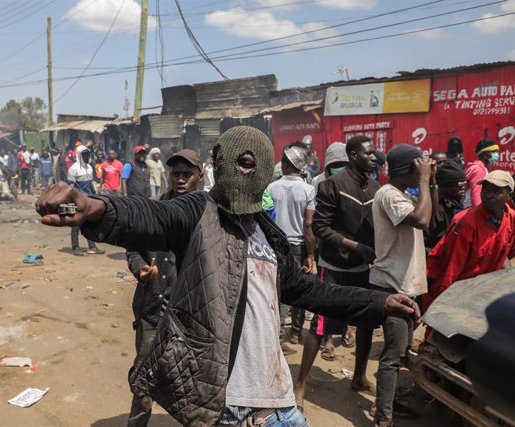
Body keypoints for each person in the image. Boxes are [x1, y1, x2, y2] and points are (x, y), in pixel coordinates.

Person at [35, 126, 420, 426]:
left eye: (251, 164)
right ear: (217, 164)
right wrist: (95, 207)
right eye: (234, 161)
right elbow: (150, 216)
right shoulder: (196, 213)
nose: (240, 171)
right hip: (229, 405)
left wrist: (377, 301)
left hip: (280, 400)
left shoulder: (267, 234)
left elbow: (306, 289)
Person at [295, 135, 380, 406]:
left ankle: (359, 376)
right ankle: (301, 383)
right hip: (333, 266)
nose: (374, 158)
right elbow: (320, 227)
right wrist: (354, 246)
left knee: (365, 322)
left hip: (361, 268)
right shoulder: (333, 185)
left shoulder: (376, 188)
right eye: (368, 153)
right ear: (353, 156)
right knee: (319, 325)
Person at [126, 149, 203, 427]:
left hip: (193, 315)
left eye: (187, 174)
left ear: (200, 176)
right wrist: (140, 269)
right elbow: (134, 248)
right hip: (153, 307)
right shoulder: (154, 209)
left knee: (192, 382)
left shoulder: (209, 217)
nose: (180, 179)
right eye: (176, 174)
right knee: (144, 376)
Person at [369, 144, 436, 427]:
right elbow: (422, 220)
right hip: (392, 286)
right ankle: (383, 418)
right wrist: (423, 180)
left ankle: (392, 403)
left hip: (405, 285)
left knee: (405, 350)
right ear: (408, 170)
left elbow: (430, 220)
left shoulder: (403, 195)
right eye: (418, 167)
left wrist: (428, 181)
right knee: (393, 355)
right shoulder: (388, 195)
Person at [425, 170, 515, 310]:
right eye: (485, 189)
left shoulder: (511, 219)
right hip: (458, 290)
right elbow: (450, 269)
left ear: (509, 195)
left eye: (496, 191)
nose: (487, 195)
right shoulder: (466, 222)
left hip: (483, 292)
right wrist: (441, 305)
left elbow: (505, 256)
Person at [265, 146, 316, 354]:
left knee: (277, 290)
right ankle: (294, 333)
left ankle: (276, 336)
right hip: (298, 246)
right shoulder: (308, 190)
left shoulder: (271, 188)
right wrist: (311, 254)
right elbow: (309, 225)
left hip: (274, 244)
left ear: (285, 165)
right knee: (298, 288)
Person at [67, 145, 105, 256]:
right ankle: (75, 248)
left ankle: (92, 247)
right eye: (84, 154)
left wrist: (96, 195)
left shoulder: (89, 167)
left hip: (89, 200)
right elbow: (70, 188)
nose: (87, 156)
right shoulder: (73, 169)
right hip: (78, 201)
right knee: (76, 225)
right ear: (79, 155)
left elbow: (91, 184)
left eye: (88, 154)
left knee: (90, 224)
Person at [425, 160, 467, 250]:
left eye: (464, 183)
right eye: (460, 184)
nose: (463, 187)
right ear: (447, 186)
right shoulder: (437, 208)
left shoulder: (458, 203)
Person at [464, 139, 499, 208]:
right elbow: (476, 195)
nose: (497, 154)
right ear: (484, 154)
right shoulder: (478, 170)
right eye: (493, 152)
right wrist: (479, 213)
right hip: (472, 209)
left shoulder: (481, 168)